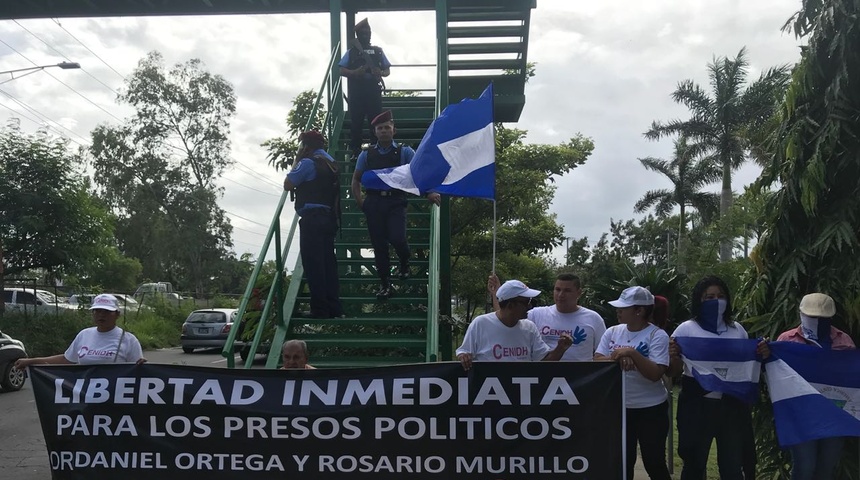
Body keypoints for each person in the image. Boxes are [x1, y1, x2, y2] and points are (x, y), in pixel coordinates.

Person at [668, 275, 766, 480]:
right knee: (694, 465)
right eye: (709, 297)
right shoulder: (686, 329)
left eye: (720, 296)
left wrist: (761, 352)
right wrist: (673, 355)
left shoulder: (737, 330)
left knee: (732, 467)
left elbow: (746, 364)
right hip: (697, 407)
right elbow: (673, 371)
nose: (716, 301)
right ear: (699, 300)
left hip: (731, 408)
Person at [351, 110, 440, 300]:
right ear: (375, 132)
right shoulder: (366, 154)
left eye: (387, 127)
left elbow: (419, 173)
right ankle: (385, 285)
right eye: (379, 128)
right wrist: (361, 203)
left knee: (397, 238)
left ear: (394, 130)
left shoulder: (404, 151)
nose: (383, 131)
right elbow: (356, 180)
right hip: (374, 202)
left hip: (395, 201)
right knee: (379, 246)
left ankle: (404, 261)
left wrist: (429, 192)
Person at [595, 286, 671, 480]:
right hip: (620, 409)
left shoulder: (657, 335)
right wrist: (618, 358)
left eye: (623, 308)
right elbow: (597, 359)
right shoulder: (612, 331)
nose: (618, 311)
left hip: (651, 409)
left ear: (639, 311)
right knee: (622, 463)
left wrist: (632, 353)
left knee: (654, 463)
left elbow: (655, 373)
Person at [776, 292, 855, 480]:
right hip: (801, 417)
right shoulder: (786, 341)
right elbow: (776, 376)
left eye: (822, 318)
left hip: (835, 415)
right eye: (812, 317)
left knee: (826, 468)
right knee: (804, 467)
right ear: (802, 314)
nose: (817, 321)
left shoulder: (844, 342)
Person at [283, 130, 343, 319]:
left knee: (313, 264)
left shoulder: (307, 163)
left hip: (312, 219)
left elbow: (288, 184)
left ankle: (319, 309)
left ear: (306, 146)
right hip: (329, 218)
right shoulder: (331, 162)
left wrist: (297, 159)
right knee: (328, 264)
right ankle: (335, 308)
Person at [456, 279, 573, 371]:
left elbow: (544, 364)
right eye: (527, 302)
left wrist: (560, 349)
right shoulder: (481, 324)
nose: (530, 306)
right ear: (510, 305)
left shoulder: (529, 327)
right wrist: (464, 357)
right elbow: (465, 352)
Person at [488, 272, 606, 361]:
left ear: (579, 292)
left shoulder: (594, 319)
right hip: (546, 383)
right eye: (557, 289)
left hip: (583, 383)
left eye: (567, 291)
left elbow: (602, 355)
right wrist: (497, 294)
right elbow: (506, 315)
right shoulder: (536, 314)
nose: (561, 295)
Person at [15, 294, 145, 366]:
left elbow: (138, 373)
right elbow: (67, 359)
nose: (101, 314)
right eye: (97, 310)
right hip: (85, 401)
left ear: (117, 314)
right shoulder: (84, 335)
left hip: (114, 401)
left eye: (107, 311)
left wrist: (145, 367)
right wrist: (31, 361)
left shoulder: (129, 340)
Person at [339, 18, 391, 159]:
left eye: (367, 32)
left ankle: (376, 149)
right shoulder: (351, 52)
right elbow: (341, 70)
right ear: (358, 34)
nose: (366, 34)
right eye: (363, 32)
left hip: (373, 91)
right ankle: (355, 151)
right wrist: (354, 73)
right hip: (357, 92)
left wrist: (380, 72)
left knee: (375, 121)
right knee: (356, 122)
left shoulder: (378, 51)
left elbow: (387, 70)